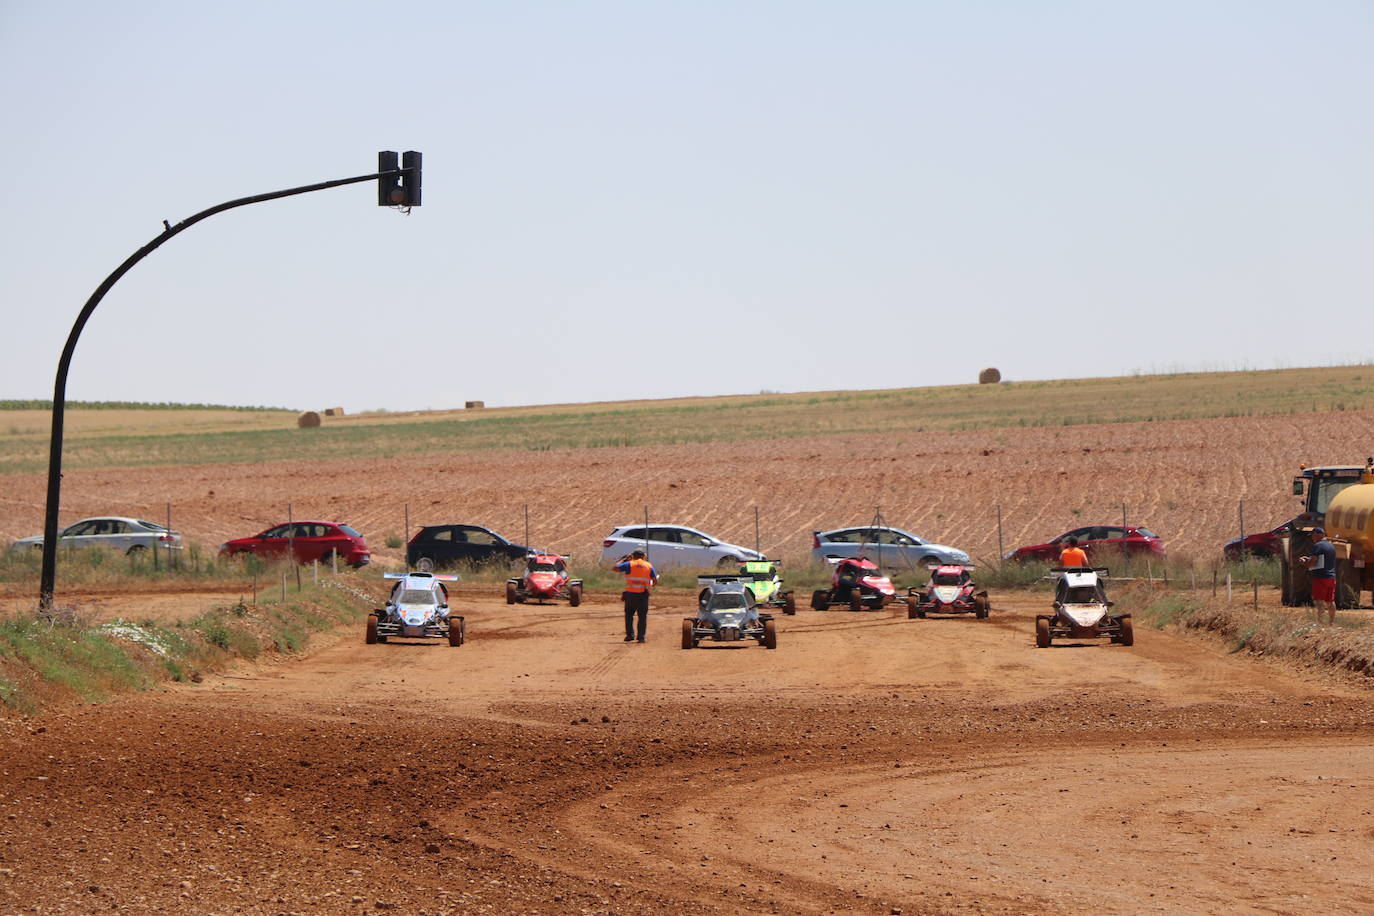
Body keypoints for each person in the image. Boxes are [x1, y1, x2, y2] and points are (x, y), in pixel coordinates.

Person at [614, 549, 657, 642]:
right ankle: (641, 637)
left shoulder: (629, 564)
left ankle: (630, 635)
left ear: (633, 556)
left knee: (629, 615)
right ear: (643, 556)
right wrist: (651, 586)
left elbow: (615, 568)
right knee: (642, 616)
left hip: (630, 594)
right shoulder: (648, 565)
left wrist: (624, 559)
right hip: (643, 594)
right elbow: (654, 580)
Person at [1301, 527, 1338, 624]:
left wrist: (1304, 562)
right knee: (1330, 601)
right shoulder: (1331, 546)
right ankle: (1331, 622)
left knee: (1319, 601)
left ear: (1318, 534)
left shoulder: (1317, 546)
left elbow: (1313, 563)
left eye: (1312, 535)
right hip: (1331, 577)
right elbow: (1323, 558)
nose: (1312, 538)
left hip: (1320, 577)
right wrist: (1308, 558)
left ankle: (1320, 623)